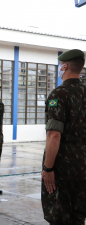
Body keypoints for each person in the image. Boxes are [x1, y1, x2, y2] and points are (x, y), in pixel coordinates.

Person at [41, 49, 86, 225]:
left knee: (59, 217)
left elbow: (53, 135)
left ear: (65, 66)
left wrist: (48, 169)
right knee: (78, 216)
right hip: (82, 168)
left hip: (62, 169)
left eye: (60, 65)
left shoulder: (58, 95)